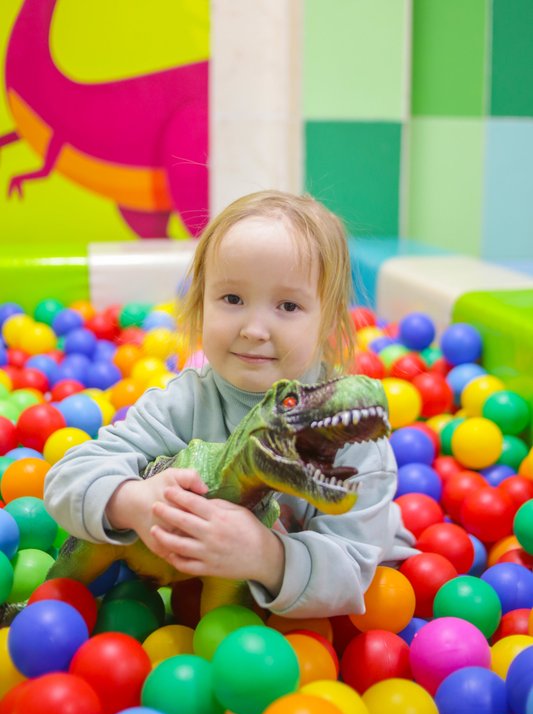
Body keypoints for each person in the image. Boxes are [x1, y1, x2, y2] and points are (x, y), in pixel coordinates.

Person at [44, 190, 416, 618]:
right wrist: (133, 501)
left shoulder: (348, 434)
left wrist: (264, 556)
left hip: (339, 606)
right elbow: (68, 478)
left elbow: (351, 569)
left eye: (288, 305)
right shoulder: (185, 401)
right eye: (233, 299)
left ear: (329, 321)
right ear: (200, 304)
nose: (254, 329)